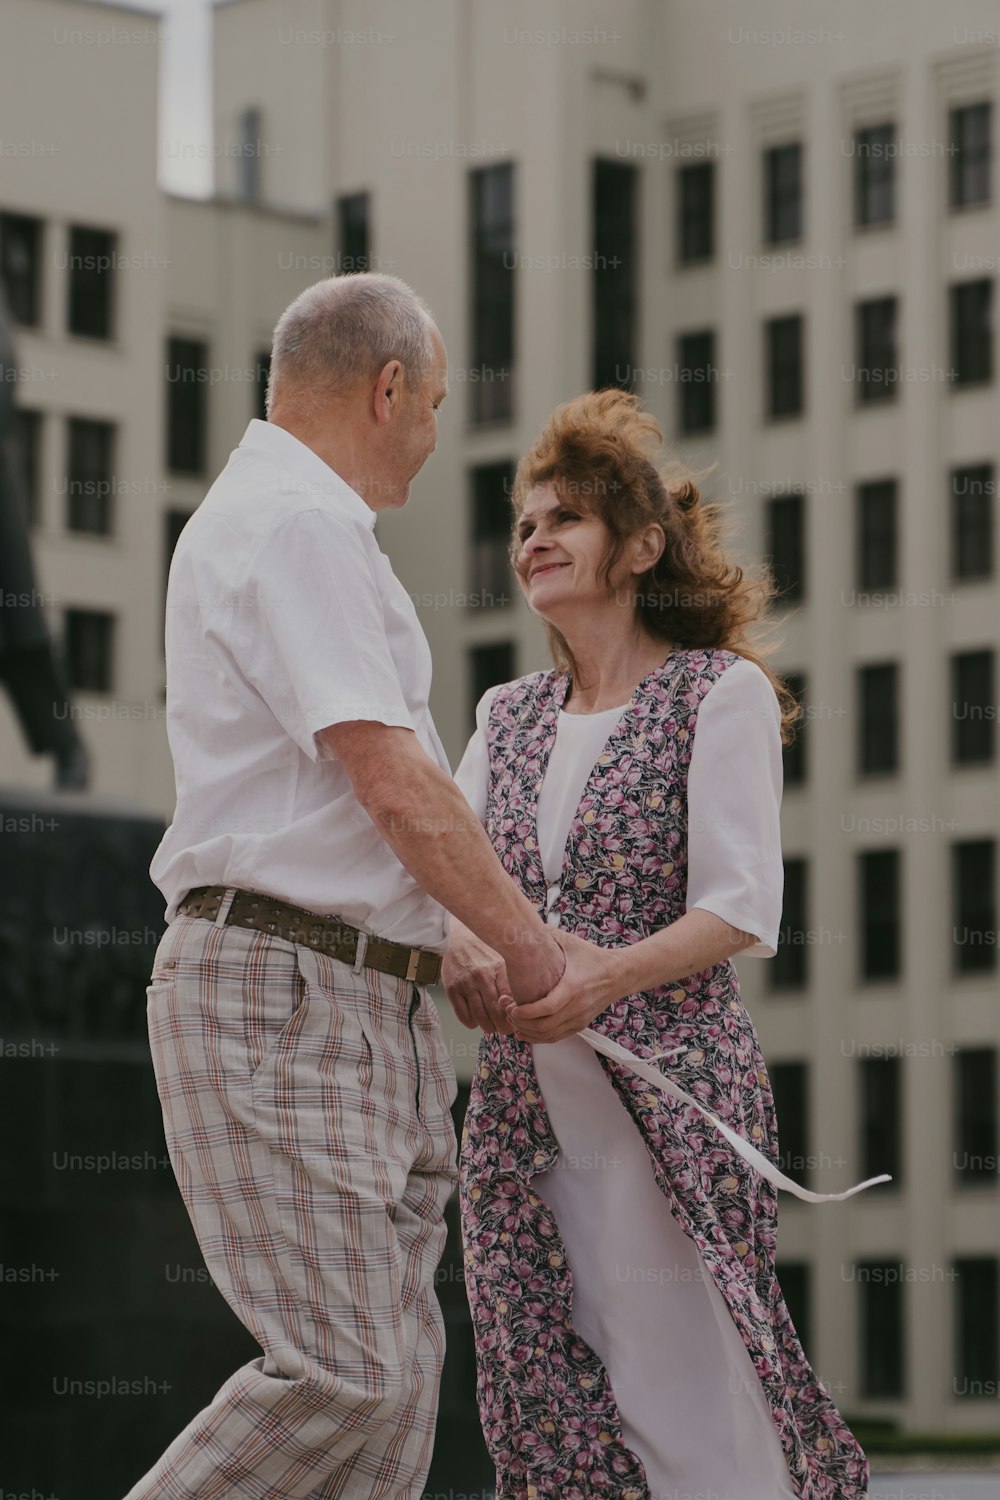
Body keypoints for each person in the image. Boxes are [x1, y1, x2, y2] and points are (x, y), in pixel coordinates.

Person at [126, 272, 589, 1500]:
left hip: (356, 1004)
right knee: (351, 1381)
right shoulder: (299, 525)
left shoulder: (292, 525)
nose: (435, 440)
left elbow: (354, 802)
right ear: (388, 390)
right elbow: (389, 782)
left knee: (386, 1421)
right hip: (283, 994)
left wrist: (454, 938)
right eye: (434, 406)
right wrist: (531, 948)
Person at [444, 389, 874, 1500]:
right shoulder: (505, 715)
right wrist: (459, 949)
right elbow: (445, 876)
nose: (534, 538)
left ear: (640, 547)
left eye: (565, 519)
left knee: (691, 1391)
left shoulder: (713, 694)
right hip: (521, 1118)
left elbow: (740, 907)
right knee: (544, 1403)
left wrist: (603, 974)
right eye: (525, 523)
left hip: (671, 1097)